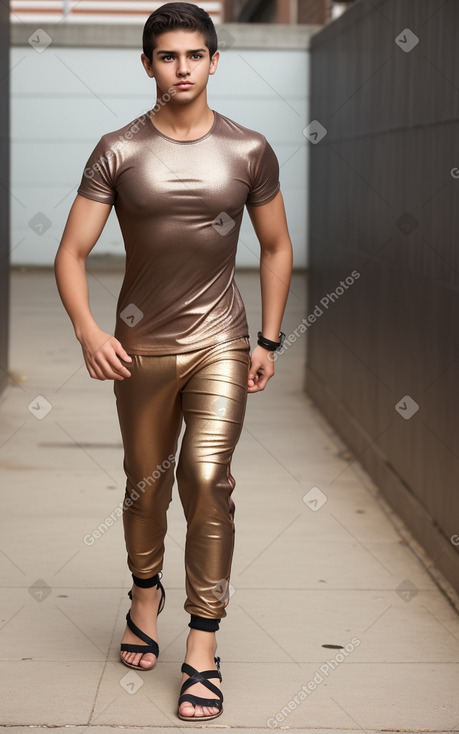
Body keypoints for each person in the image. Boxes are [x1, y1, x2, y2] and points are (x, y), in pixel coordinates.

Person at [54, 2, 293, 722]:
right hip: (141, 347)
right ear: (147, 64)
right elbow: (70, 252)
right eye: (167, 56)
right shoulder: (117, 150)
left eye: (194, 55)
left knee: (206, 479)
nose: (182, 68)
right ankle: (144, 590)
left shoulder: (248, 150)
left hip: (221, 339)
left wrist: (270, 339)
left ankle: (202, 643)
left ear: (214, 61)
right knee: (145, 483)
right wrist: (90, 332)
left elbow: (276, 247)